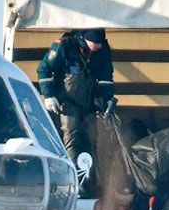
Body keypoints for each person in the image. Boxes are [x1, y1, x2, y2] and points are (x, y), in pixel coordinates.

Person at [37, 28, 116, 196]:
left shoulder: (102, 51)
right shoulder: (64, 46)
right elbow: (44, 68)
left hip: (89, 102)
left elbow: (105, 77)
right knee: (71, 139)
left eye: (100, 43)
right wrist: (49, 95)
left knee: (90, 140)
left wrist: (107, 98)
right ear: (85, 40)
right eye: (95, 43)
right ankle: (71, 183)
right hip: (68, 102)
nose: (98, 46)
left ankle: (88, 184)